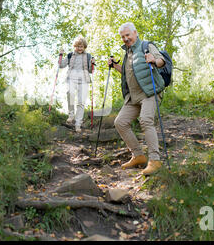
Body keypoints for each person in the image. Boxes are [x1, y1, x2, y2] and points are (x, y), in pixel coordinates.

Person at [108, 22, 166, 176]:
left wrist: (153, 60)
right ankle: (138, 155)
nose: (126, 38)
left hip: (149, 93)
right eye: (123, 37)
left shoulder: (146, 46)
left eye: (128, 35)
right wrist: (114, 66)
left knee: (145, 119)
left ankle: (155, 160)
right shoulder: (127, 53)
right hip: (133, 97)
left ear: (135, 33)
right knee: (120, 122)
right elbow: (128, 74)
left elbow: (161, 61)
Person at [59, 36, 95, 132]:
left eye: (82, 46)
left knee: (81, 102)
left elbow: (91, 71)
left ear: (84, 47)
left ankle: (78, 124)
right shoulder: (70, 55)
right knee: (70, 93)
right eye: (78, 46)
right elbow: (61, 65)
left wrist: (93, 64)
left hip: (84, 78)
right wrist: (60, 55)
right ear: (75, 46)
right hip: (72, 77)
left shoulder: (88, 56)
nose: (80, 48)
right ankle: (71, 115)